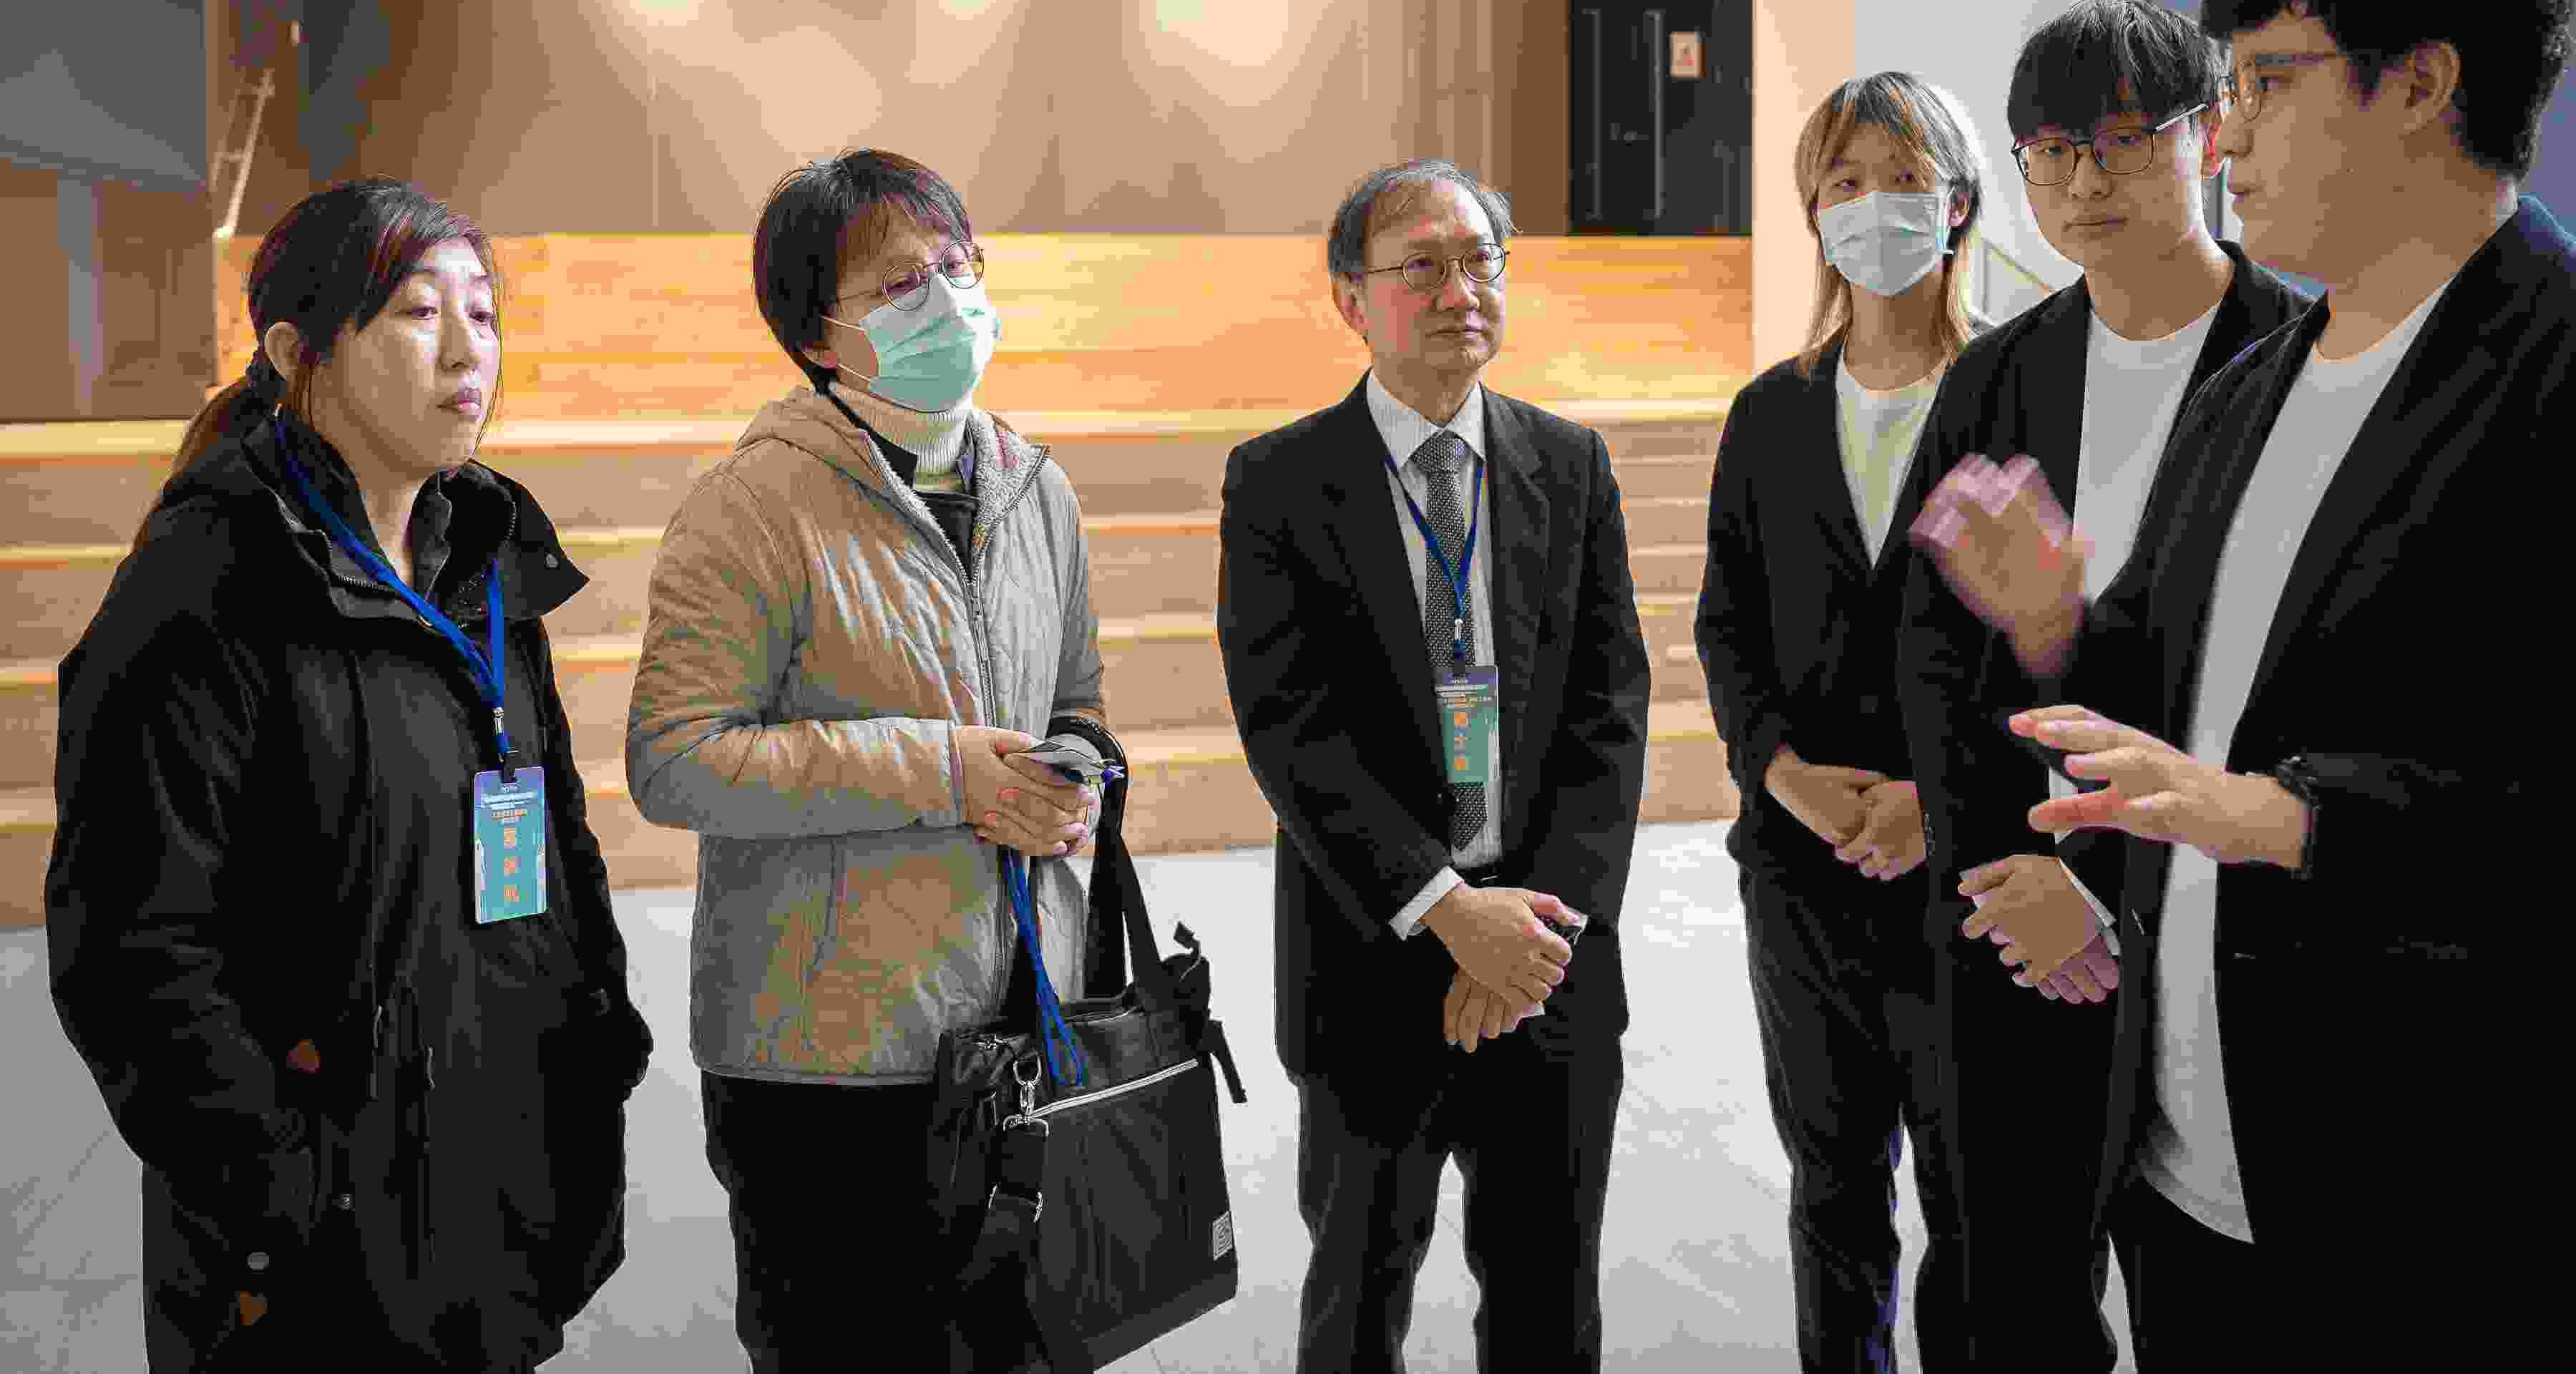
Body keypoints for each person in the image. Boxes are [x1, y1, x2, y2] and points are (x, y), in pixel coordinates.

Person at [1911, 0, 2569, 1367]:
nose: (2232, 139)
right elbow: (2167, 679)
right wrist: (2061, 624)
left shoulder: (2549, 371)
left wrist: (2290, 817)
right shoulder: (2256, 388)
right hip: (2191, 1156)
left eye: (2269, 84)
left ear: (2421, 85)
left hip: (2433, 1187)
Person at [47, 178, 652, 1373]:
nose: (468, 351)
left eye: (484, 313)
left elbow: (556, 836)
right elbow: (131, 949)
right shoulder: (203, 590)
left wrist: (592, 1057)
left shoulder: (483, 561)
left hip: (497, 1187)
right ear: (297, 352)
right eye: (419, 313)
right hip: (310, 1264)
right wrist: (288, 1188)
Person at [625, 148, 1118, 1372]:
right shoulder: (751, 505)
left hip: (1022, 1034)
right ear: (818, 333)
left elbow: (1078, 704)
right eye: (903, 284)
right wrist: (944, 773)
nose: (949, 301)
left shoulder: (1037, 487)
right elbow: (676, 759)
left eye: (961, 267)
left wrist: (1077, 784)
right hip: (829, 1065)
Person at [1890, 0, 2310, 1374]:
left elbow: (2270, 680)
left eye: (2124, 140)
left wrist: (2110, 887)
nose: (2084, 181)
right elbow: (1934, 658)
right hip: (2019, 916)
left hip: (2217, 920)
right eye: (2052, 151)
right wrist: (2014, 874)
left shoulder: (2298, 355)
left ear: (2206, 136)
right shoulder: (1998, 377)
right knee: (2010, 1290)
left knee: (2216, 1291)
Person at [1215, 157, 1649, 1373]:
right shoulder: (1278, 481)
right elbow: (1291, 729)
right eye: (1422, 267)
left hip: (1548, 960)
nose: (1461, 292)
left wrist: (1535, 930)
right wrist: (1451, 911)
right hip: (1373, 958)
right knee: (1359, 1298)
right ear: (1351, 299)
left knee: (1548, 1300)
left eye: (1480, 262)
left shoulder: (1571, 465)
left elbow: (1611, 710)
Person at [1694, 72, 1989, 1372]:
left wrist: (1945, 798)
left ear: (1959, 202)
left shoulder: (2015, 392)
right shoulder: (1771, 412)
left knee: (1975, 1199)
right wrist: (1783, 775)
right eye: (1847, 182)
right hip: (1801, 869)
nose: (1875, 207)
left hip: (1971, 867)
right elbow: (1727, 626)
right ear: (1814, 210)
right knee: (1833, 1188)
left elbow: (2056, 639)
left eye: (1905, 180)